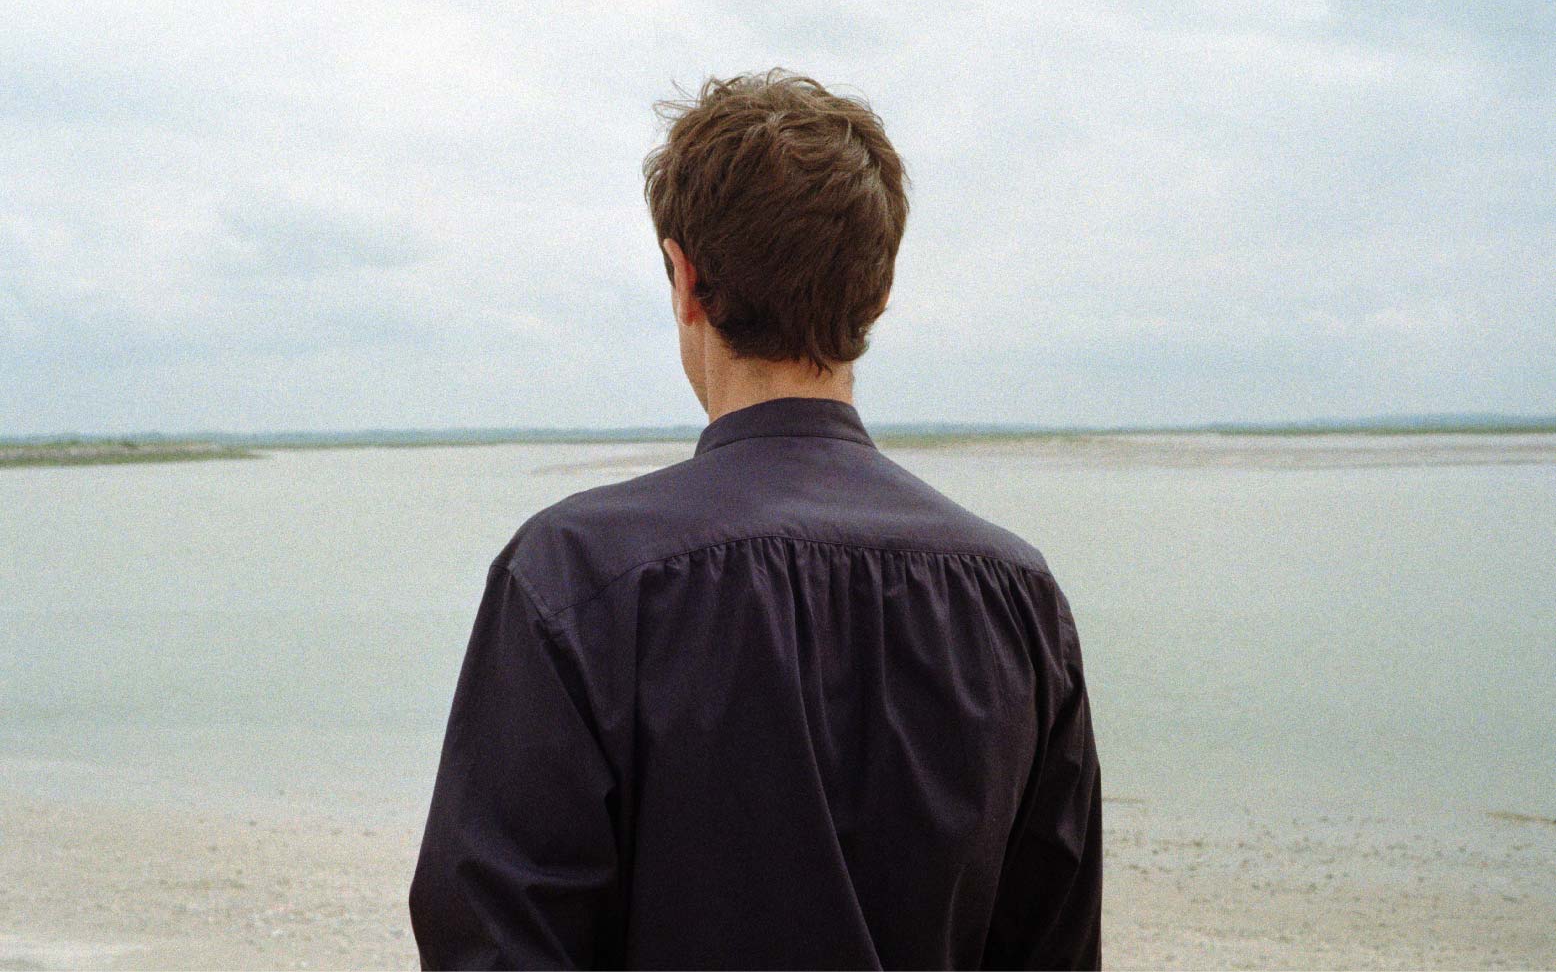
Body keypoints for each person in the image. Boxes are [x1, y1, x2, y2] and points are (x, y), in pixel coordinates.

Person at [408, 68, 1102, 970]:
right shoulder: (1018, 597)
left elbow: (494, 947)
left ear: (683, 277)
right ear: (879, 292)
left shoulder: (575, 576)